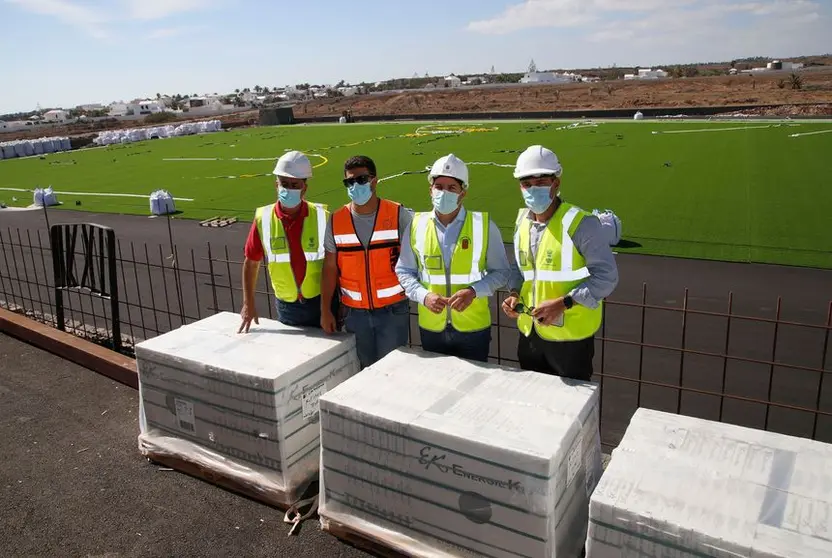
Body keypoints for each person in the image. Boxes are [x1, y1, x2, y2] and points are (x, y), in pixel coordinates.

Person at [501, 145, 618, 381]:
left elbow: (606, 276)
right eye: (527, 183)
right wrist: (513, 292)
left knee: (570, 410)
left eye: (541, 181)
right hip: (530, 335)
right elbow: (519, 267)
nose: (533, 188)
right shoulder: (522, 222)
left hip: (570, 341)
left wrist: (564, 303)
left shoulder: (581, 223)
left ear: (556, 183)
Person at [396, 154, 510, 362]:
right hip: (431, 328)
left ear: (463, 193)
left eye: (451, 188)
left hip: (473, 329)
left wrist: (473, 292)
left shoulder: (484, 226)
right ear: (430, 190)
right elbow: (404, 271)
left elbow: (502, 272)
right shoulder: (416, 225)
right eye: (439, 186)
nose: (444, 192)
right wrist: (424, 296)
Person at [320, 155, 413, 369]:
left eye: (361, 180)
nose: (355, 186)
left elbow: (414, 260)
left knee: (394, 371)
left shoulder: (398, 214)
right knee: (363, 373)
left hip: (392, 312)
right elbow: (330, 268)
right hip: (355, 314)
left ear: (374, 180)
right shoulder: (336, 220)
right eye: (349, 182)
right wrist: (325, 310)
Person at [238, 150, 332, 332]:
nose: (288, 189)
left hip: (322, 303)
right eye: (284, 184)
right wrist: (248, 304)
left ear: (305, 188)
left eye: (294, 185)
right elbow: (251, 263)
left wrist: (330, 308)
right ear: (276, 185)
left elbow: (335, 264)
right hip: (287, 307)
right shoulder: (263, 219)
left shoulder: (323, 217)